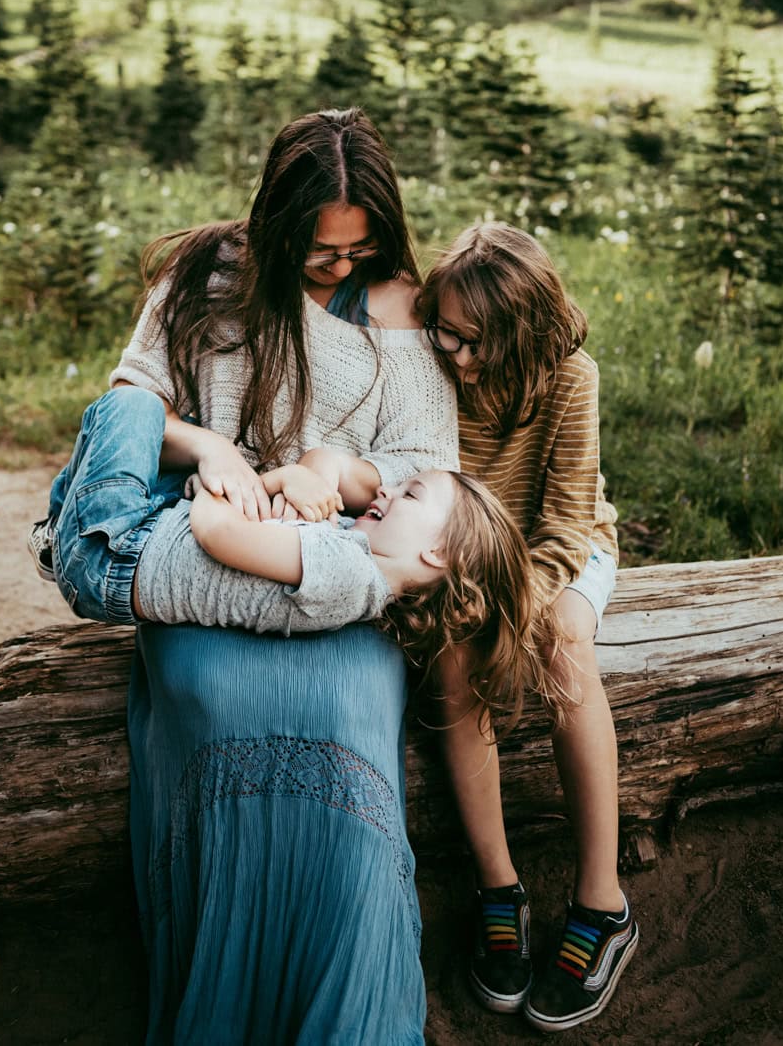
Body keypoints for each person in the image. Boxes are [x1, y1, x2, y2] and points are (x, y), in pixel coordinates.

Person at [46, 107, 460, 1045]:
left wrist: (332, 470)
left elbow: (430, 468)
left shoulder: (401, 308)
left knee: (348, 722)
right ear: (276, 223)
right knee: (209, 699)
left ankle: (346, 1011)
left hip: (341, 565)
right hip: (208, 546)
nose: (340, 268)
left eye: (359, 249)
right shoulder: (209, 280)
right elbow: (130, 398)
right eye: (320, 250)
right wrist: (208, 446)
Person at [419, 221, 638, 1035]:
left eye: (480, 343)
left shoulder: (570, 379)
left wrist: (519, 608)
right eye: (449, 333)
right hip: (466, 559)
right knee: (452, 662)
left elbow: (567, 523)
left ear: (527, 334)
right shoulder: (430, 360)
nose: (460, 357)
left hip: (563, 550)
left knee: (562, 648)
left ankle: (602, 902)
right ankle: (497, 888)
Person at [34, 402, 545, 728]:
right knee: (182, 428)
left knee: (132, 406)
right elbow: (316, 476)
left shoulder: (347, 574)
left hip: (114, 555)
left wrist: (236, 477)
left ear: (436, 554)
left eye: (410, 494)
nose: (387, 488)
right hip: (149, 536)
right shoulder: (360, 557)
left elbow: (218, 532)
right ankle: (59, 531)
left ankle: (60, 535)